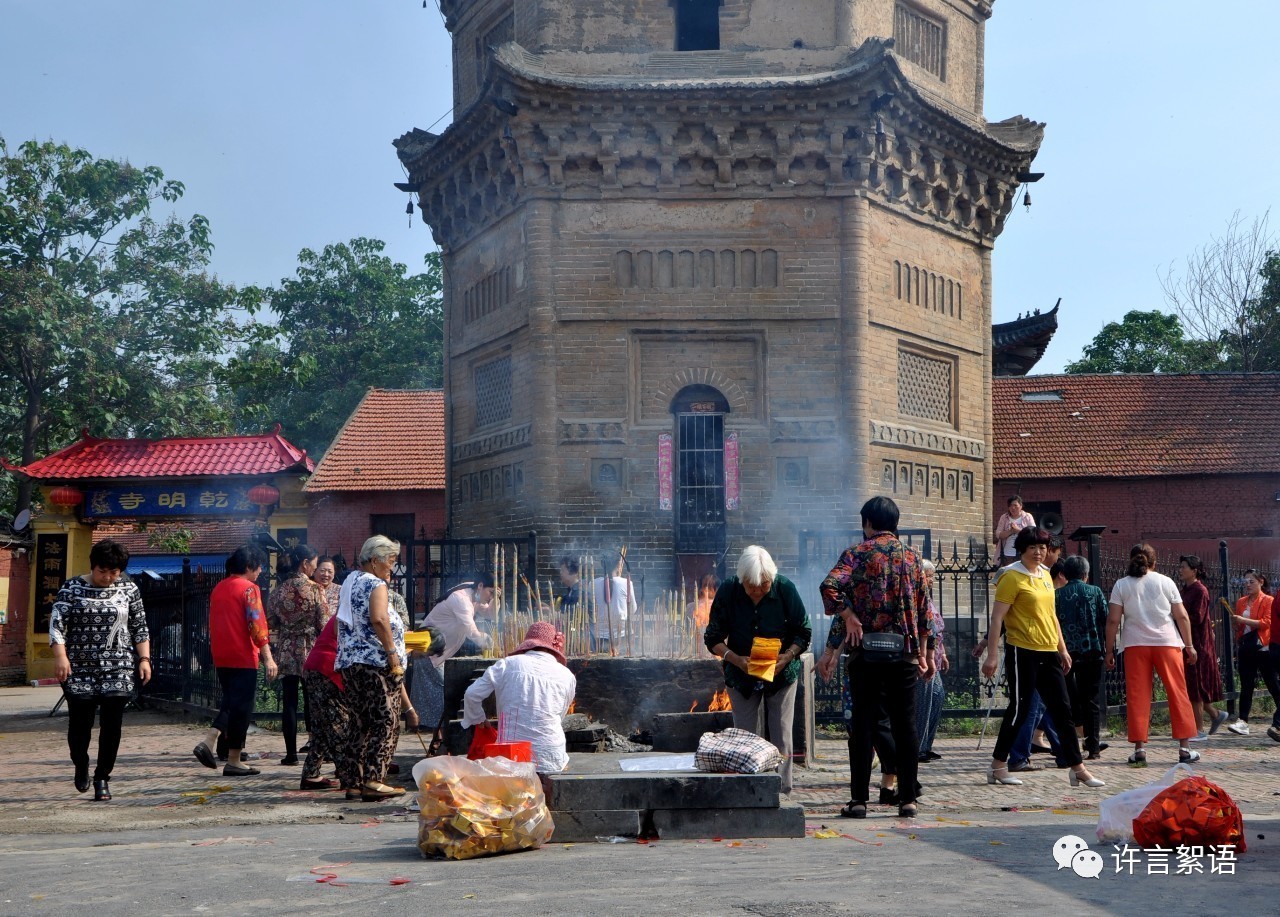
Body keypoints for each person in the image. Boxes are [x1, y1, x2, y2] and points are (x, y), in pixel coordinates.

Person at [820, 496, 934, 818]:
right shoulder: (913, 559)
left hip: (865, 654)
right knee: (905, 726)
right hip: (905, 656)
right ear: (895, 523)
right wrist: (925, 653)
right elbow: (925, 610)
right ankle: (908, 799)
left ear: (868, 523)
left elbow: (829, 586)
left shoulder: (856, 554)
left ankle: (858, 801)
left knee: (863, 726)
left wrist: (848, 615)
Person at [981, 527, 1103, 789]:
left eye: (1043, 547)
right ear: (1022, 549)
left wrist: (1062, 649)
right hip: (1022, 650)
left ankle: (1077, 768)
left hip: (1049, 650)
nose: (1039, 552)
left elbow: (1052, 616)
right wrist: (992, 655)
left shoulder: (1047, 575)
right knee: (1020, 710)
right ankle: (998, 766)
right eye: (1033, 547)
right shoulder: (1011, 576)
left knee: (1063, 710)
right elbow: (997, 618)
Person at [50, 539, 151, 801]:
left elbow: (140, 627)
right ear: (92, 566)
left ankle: (103, 776)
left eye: (113, 572)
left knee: (112, 725)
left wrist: (144, 659)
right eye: (102, 571)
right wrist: (61, 656)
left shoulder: (129, 589)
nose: (107, 577)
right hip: (79, 666)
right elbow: (57, 624)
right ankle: (80, 763)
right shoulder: (72, 587)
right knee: (80, 725)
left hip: (118, 667)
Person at [706, 545, 811, 795]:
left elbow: (803, 631)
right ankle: (747, 789)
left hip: (780, 672)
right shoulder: (729, 590)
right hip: (741, 672)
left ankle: (781, 789)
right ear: (741, 579)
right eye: (752, 586)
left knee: (781, 734)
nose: (758, 591)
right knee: (743, 736)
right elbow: (713, 638)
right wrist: (735, 659)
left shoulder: (784, 588)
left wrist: (787, 657)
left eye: (764, 585)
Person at [335, 535, 418, 801]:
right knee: (385, 720)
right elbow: (379, 619)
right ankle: (374, 779)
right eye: (390, 561)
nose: (391, 567)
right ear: (374, 560)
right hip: (375, 662)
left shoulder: (350, 580)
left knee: (359, 721)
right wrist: (393, 653)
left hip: (351, 662)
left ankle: (353, 782)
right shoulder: (375, 583)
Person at [1105, 543, 1199, 766]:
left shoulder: (1121, 584)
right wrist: (1189, 645)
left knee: (1138, 695)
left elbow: (1113, 620)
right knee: (1177, 692)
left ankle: (1139, 749)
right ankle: (1185, 748)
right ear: (1154, 562)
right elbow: (1182, 616)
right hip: (1167, 643)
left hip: (1135, 644)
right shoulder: (1166, 582)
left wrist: (1109, 649)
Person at [192, 545, 277, 777]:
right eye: (258, 566)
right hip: (242, 654)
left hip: (221, 653)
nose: (260, 571)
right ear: (249, 567)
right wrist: (268, 657)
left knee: (230, 702)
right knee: (241, 707)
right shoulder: (249, 589)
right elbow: (258, 626)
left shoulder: (219, 588)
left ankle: (218, 747)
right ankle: (230, 756)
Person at [461, 621, 577, 774]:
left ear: (528, 644)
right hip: (551, 757)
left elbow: (471, 694)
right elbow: (560, 716)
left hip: (511, 757)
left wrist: (479, 719)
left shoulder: (507, 664)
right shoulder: (567, 675)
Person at [267, 543, 327, 766]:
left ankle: (290, 754)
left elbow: (270, 622)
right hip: (311, 648)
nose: (315, 568)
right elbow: (323, 623)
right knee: (312, 700)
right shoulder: (315, 590)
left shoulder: (278, 591)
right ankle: (314, 749)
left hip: (286, 648)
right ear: (305, 563)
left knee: (289, 702)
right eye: (314, 563)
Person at [1055, 555, 1109, 759]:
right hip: (1092, 651)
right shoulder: (1094, 592)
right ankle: (1093, 747)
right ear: (1086, 574)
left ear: (1065, 574)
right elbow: (1105, 617)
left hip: (1066, 653)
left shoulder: (1057, 595)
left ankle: (1069, 746)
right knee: (1091, 699)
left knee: (1066, 699)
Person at [1176, 555, 1229, 740]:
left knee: (1196, 688)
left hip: (1198, 644)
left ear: (1194, 570)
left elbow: (1197, 618)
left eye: (1184, 567)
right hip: (1187, 642)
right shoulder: (1185, 590)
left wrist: (1176, 617)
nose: (1181, 570)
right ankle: (1216, 714)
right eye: (1180, 566)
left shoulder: (1200, 590)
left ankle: (1198, 730)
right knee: (1191, 687)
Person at [1225, 569, 1280, 740]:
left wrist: (1243, 620)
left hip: (1262, 647)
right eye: (1246, 582)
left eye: (1251, 582)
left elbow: (1266, 623)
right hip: (1246, 646)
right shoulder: (1242, 601)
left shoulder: (1268, 600)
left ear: (1261, 582)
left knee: (1272, 684)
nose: (1248, 585)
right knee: (1246, 684)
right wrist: (1237, 623)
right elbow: (1240, 628)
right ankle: (1243, 720)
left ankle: (1278, 719)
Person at [299, 614, 349, 792]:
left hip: (315, 666)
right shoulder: (355, 612)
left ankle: (311, 774)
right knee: (339, 725)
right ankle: (348, 776)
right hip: (328, 667)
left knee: (321, 725)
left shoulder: (345, 611)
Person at [916, 560, 948, 763]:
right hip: (924, 659)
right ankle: (918, 747)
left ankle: (927, 744)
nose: (931, 581)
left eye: (933, 577)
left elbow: (937, 632)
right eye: (928, 576)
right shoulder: (917, 599)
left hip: (934, 656)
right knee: (923, 701)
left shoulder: (930, 600)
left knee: (936, 696)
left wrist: (942, 654)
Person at [424, 573, 496, 664]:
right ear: (480, 586)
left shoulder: (475, 595)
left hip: (438, 654)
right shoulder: (461, 599)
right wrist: (487, 641)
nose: (491, 597)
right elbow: (471, 631)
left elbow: (491, 615)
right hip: (428, 651)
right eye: (491, 592)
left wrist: (495, 600)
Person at [591, 551, 636, 654]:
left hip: (600, 637)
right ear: (618, 565)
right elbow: (633, 609)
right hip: (624, 636)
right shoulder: (626, 583)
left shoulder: (592, 584)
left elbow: (590, 611)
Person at [994, 496, 1035, 566]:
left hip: (1023, 553)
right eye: (1010, 506)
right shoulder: (1004, 517)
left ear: (1021, 506)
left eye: (1015, 505)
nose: (1013, 508)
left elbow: (1033, 534)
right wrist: (1010, 531)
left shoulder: (1027, 516)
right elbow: (998, 534)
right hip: (1007, 553)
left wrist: (1018, 530)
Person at [314, 556, 341, 624]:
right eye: (322, 571)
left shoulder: (341, 590)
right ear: (315, 571)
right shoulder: (308, 588)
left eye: (330, 571)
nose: (326, 574)